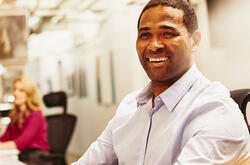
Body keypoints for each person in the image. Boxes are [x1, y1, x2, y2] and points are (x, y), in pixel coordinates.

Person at [72, 0, 250, 164]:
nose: (154, 45)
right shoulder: (130, 106)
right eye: (145, 35)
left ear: (194, 41)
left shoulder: (215, 113)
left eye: (167, 33)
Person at [0, 76, 51, 165]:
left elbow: (20, 143)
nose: (15, 93)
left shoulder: (36, 115)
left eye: (21, 90)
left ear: (29, 94)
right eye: (15, 89)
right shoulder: (15, 116)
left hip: (37, 158)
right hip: (22, 156)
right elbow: (4, 139)